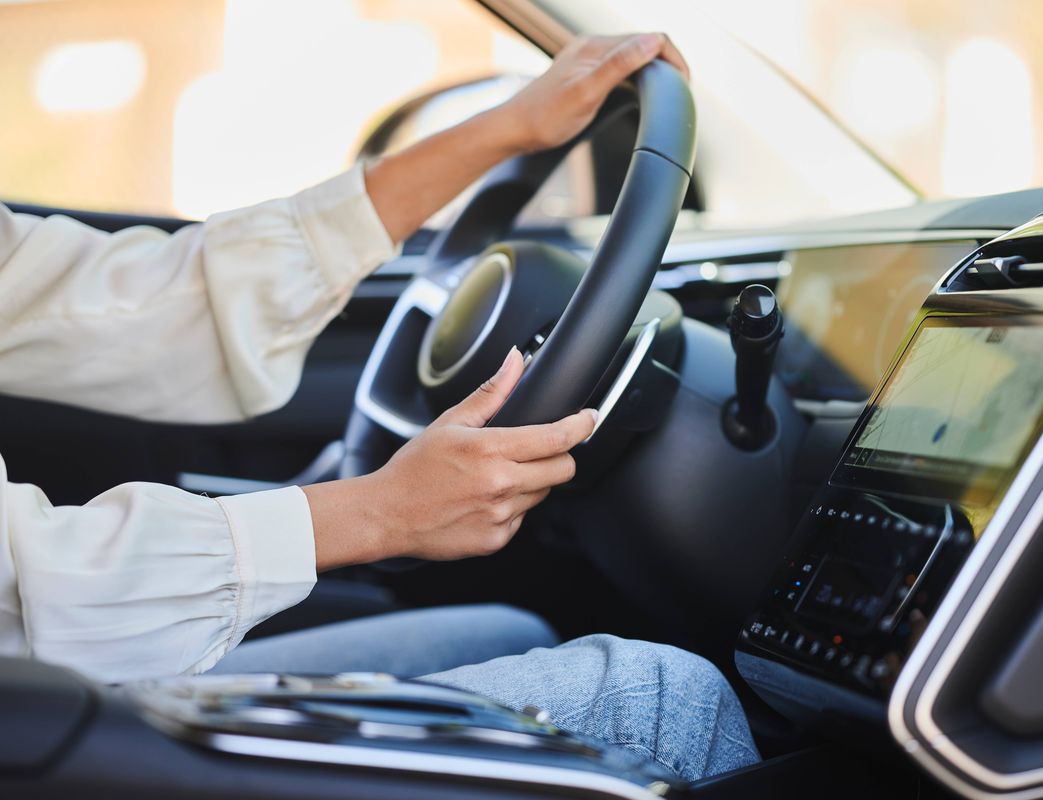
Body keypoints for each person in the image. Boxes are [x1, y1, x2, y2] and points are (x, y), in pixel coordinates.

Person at [0, 34, 759, 780]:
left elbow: (146, 305)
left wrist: (508, 128)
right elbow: (29, 592)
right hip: (38, 727)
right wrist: (379, 512)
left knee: (507, 631)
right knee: (664, 699)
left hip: (40, 690)